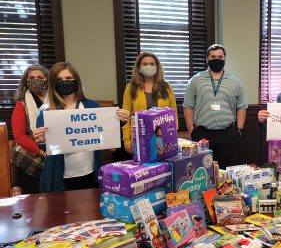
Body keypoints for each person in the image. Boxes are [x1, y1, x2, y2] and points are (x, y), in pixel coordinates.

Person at [33, 62, 130, 192]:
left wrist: (120, 120)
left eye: (68, 78)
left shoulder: (91, 106)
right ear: (53, 83)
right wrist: (42, 140)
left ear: (76, 80)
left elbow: (104, 130)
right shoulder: (45, 110)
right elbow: (44, 146)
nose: (64, 82)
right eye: (59, 80)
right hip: (61, 175)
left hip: (90, 173)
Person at [183, 44, 248, 169]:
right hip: (202, 134)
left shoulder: (235, 81)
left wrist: (239, 130)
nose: (216, 59)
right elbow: (188, 106)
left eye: (220, 56)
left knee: (225, 170)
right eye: (213, 57)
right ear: (207, 59)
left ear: (224, 59)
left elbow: (241, 107)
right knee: (203, 171)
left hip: (228, 134)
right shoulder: (195, 80)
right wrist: (191, 130)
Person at [122, 52, 177, 155]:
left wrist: (173, 135)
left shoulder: (166, 87)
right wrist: (127, 140)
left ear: (157, 67)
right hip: (139, 138)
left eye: (152, 64)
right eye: (145, 64)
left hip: (162, 137)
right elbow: (126, 116)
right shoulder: (131, 87)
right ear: (139, 67)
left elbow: (174, 113)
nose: (149, 66)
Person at [11, 64, 49, 194]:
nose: (36, 80)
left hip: (54, 154)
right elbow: (19, 136)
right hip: (29, 158)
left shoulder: (57, 100)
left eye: (40, 77)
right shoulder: (22, 103)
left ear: (47, 79)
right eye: (31, 78)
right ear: (26, 82)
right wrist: (41, 152)